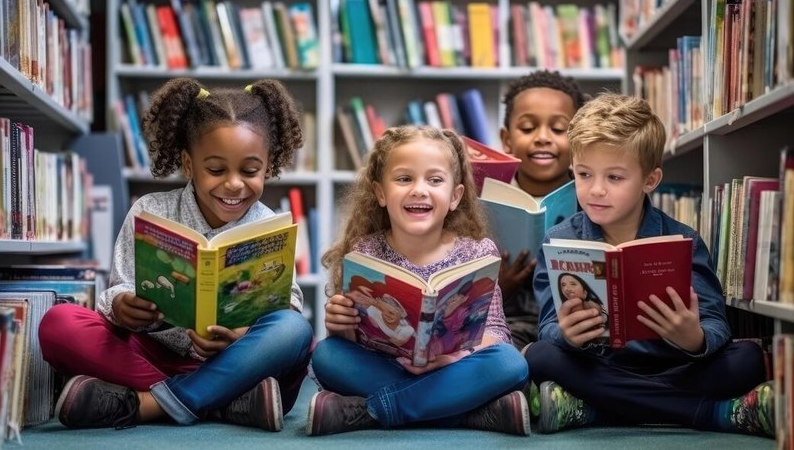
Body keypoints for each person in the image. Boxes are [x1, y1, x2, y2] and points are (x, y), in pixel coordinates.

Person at [38, 78, 314, 431]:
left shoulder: (269, 225)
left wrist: (242, 334)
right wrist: (122, 306)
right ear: (188, 163)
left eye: (250, 171)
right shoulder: (150, 211)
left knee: (295, 330)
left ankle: (148, 404)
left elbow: (287, 303)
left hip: (238, 363)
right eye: (216, 170)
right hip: (154, 357)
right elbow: (120, 286)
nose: (234, 184)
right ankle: (224, 404)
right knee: (59, 323)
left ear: (268, 165)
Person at [525, 94, 774, 437]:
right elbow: (548, 327)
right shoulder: (558, 240)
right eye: (584, 174)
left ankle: (593, 409)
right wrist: (566, 336)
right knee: (539, 356)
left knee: (747, 359)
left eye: (614, 178)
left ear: (650, 180)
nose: (596, 190)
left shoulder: (682, 240)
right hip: (599, 364)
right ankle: (711, 413)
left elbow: (716, 324)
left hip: (673, 366)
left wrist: (694, 339)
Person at [307, 125, 529, 436]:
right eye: (404, 179)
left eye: (434, 180)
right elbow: (356, 339)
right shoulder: (365, 252)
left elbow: (496, 331)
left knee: (510, 363)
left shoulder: (478, 252)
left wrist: (456, 356)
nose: (419, 190)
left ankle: (373, 411)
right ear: (380, 193)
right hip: (390, 368)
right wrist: (340, 325)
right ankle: (465, 413)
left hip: (455, 367)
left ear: (455, 196)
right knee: (327, 355)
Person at [498, 70, 587, 351]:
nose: (542, 138)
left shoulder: (595, 198)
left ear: (578, 139)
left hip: (576, 323)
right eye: (527, 128)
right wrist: (497, 285)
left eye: (558, 129)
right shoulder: (486, 200)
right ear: (506, 139)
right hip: (507, 321)